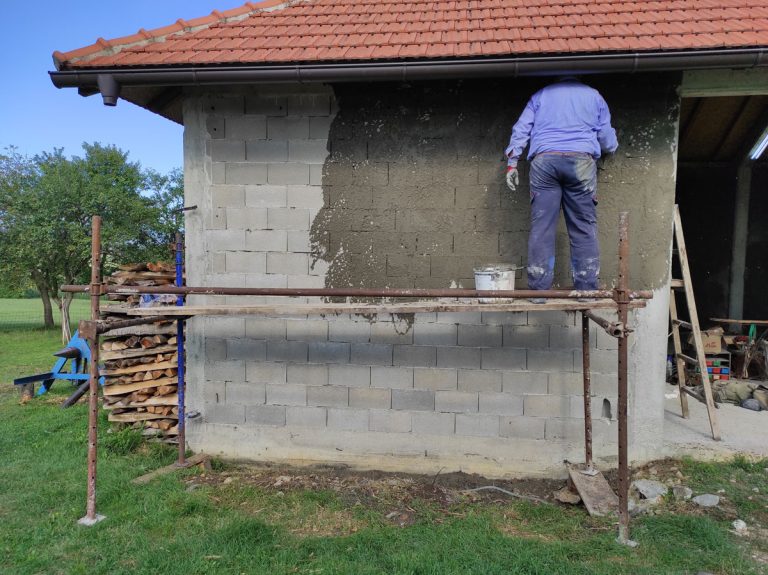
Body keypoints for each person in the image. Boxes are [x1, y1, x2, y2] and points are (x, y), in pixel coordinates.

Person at [504, 76, 618, 300]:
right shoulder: (594, 96)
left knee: (542, 228)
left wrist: (512, 162)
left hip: (545, 161)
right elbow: (606, 137)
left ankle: (539, 292)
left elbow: (521, 129)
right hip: (581, 162)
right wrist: (611, 147)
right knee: (583, 227)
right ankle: (586, 291)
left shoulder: (541, 95)